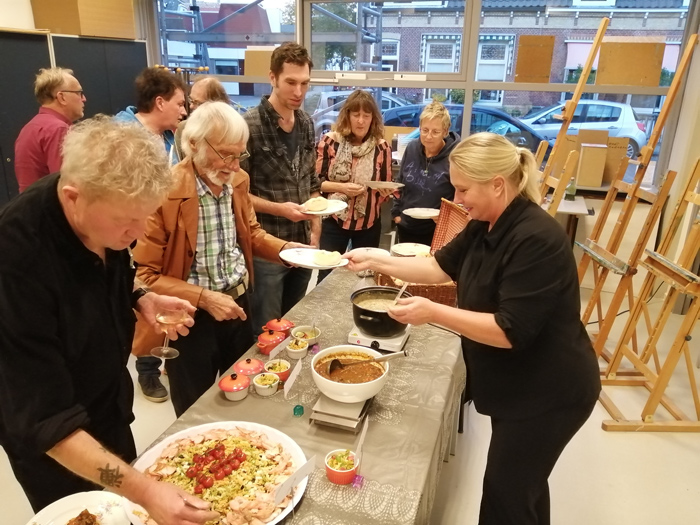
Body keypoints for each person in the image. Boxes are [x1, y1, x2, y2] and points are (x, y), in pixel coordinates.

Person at [344, 132, 601, 525]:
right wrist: (375, 257)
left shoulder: (536, 238)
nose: (458, 199)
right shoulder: (489, 221)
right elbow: (436, 267)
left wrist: (433, 312)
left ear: (498, 184)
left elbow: (508, 330)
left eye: (463, 189)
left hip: (550, 391)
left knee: (506, 495)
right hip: (519, 384)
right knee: (523, 487)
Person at [0, 117, 219, 525]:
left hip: (109, 406)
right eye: (128, 224)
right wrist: (145, 489)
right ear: (73, 196)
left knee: (127, 511)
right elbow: (46, 421)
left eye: (145, 218)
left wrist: (139, 296)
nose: (136, 235)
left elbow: (109, 271)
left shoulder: (105, 212)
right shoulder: (16, 260)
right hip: (56, 445)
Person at [132, 102, 295, 417]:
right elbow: (146, 275)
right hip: (191, 319)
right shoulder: (164, 193)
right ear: (193, 144)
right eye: (225, 154)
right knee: (194, 407)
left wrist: (289, 250)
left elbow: (252, 233)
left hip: (238, 307)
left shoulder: (237, 181)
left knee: (243, 394)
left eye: (239, 155)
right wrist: (205, 298)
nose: (234, 166)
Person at [115, 66, 188, 403]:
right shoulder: (123, 138)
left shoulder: (171, 139)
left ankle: (163, 361)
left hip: (165, 231)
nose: (184, 111)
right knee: (141, 296)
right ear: (159, 102)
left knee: (157, 297)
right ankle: (146, 371)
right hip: (127, 234)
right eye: (179, 103)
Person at [242, 42, 321, 334]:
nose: (299, 92)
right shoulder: (248, 126)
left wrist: (316, 229)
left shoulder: (306, 123)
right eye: (291, 82)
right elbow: (237, 195)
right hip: (267, 249)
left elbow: (311, 183)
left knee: (291, 325)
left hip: (302, 245)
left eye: (304, 84)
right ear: (272, 78)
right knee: (267, 331)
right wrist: (281, 210)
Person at [315, 89, 394, 282]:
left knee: (365, 277)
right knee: (327, 275)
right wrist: (342, 188)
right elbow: (316, 184)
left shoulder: (382, 148)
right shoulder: (330, 142)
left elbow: (385, 186)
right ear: (347, 116)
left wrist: (385, 191)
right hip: (334, 222)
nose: (361, 121)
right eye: (356, 115)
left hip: (368, 223)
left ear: (372, 119)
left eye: (366, 116)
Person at [392, 101, 460, 247]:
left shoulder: (455, 157)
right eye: (425, 130)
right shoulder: (411, 148)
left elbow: (460, 195)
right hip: (407, 226)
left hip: (437, 231)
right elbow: (400, 183)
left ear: (445, 131)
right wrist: (396, 214)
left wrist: (447, 218)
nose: (428, 136)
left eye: (435, 132)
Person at [14, 67, 86, 193]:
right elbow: (66, 184)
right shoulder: (59, 130)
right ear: (62, 97)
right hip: (50, 208)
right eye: (79, 93)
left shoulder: (29, 128)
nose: (84, 99)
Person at [173, 76, 230, 161]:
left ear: (216, 105)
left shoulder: (232, 131)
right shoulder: (183, 128)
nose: (191, 106)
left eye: (197, 103)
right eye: (191, 100)